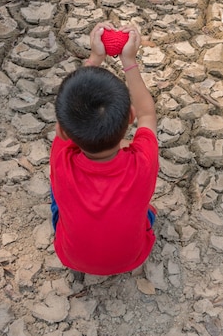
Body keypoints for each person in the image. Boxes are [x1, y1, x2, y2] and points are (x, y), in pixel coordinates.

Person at [49, 22, 159, 275]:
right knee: (144, 213)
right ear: (130, 117)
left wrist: (95, 57)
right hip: (132, 258)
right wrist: (129, 61)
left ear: (62, 132)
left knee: (57, 191)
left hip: (71, 257)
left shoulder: (61, 159)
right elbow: (148, 115)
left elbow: (68, 115)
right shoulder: (143, 161)